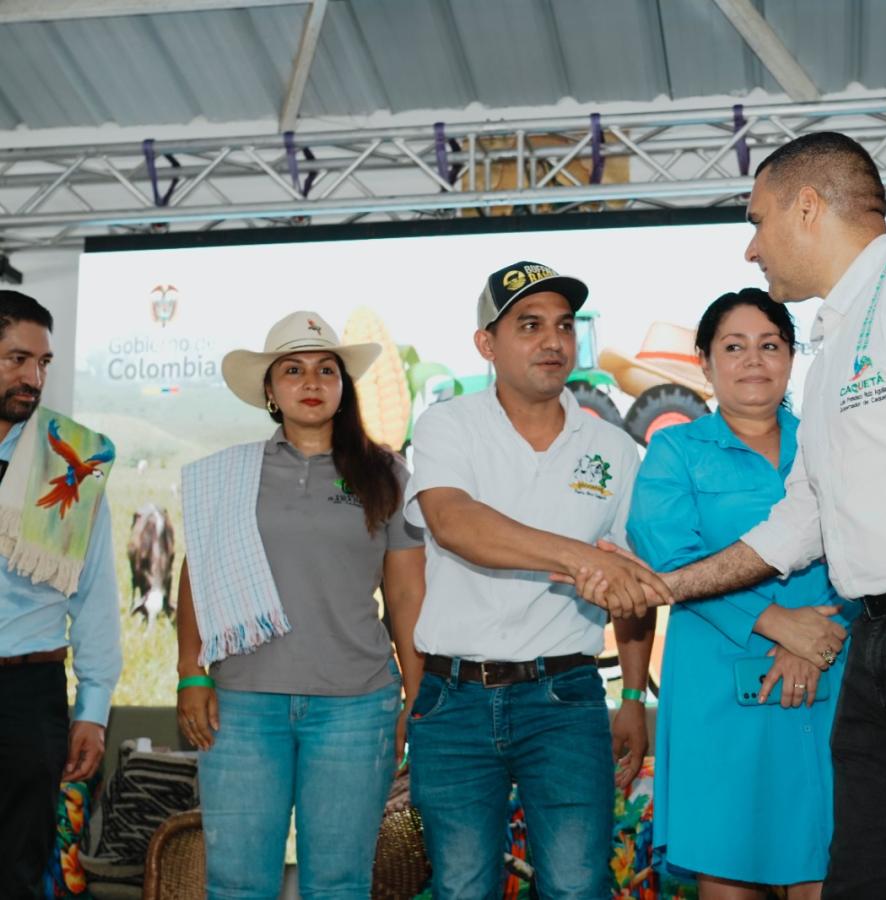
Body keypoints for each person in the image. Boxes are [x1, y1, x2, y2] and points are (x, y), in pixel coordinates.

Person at [569, 132, 886, 899]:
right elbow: (798, 522)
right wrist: (664, 589)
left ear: (807, 207)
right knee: (863, 881)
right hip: (881, 644)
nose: (751, 248)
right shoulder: (835, 340)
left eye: (758, 220)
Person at [403, 260, 667, 899]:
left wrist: (632, 695)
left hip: (566, 700)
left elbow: (630, 584)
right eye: (529, 325)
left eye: (563, 325)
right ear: (486, 345)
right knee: (463, 888)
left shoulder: (614, 450)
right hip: (455, 698)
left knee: (577, 889)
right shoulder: (448, 425)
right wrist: (583, 559)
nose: (553, 341)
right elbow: (456, 523)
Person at [175, 311, 425, 898]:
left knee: (339, 883)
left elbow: (408, 594)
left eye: (325, 369)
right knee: (237, 883)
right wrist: (191, 672)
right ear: (269, 389)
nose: (310, 382)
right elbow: (197, 575)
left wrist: (416, 697)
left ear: (343, 386)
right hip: (239, 707)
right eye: (293, 370)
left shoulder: (386, 473)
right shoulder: (229, 473)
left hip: (356, 707)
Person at [626, 288, 851, 899]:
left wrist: (816, 640)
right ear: (705, 362)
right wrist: (779, 622)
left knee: (829, 864)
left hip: (829, 676)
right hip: (717, 687)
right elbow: (670, 564)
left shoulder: (830, 443)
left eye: (770, 345)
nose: (754, 360)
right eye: (734, 346)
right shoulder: (675, 451)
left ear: (792, 356)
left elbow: (874, 551)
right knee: (730, 868)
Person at [0, 290, 121, 899]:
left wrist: (93, 710)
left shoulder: (71, 460)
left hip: (30, 696)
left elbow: (96, 595)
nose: (34, 377)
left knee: (22, 872)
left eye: (43, 363)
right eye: (17, 359)